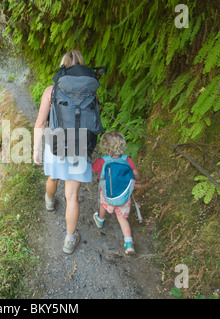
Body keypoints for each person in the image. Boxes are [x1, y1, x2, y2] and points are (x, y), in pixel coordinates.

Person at [33, 50, 93, 254]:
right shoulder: (90, 91)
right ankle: (69, 240)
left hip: (56, 141)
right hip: (81, 144)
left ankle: (49, 202)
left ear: (62, 66)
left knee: (53, 177)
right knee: (72, 196)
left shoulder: (51, 90)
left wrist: (36, 149)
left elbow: (41, 122)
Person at [92, 131, 142, 255]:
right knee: (122, 218)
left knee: (103, 206)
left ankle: (100, 220)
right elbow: (135, 174)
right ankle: (129, 243)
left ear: (104, 146)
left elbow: (92, 169)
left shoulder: (102, 160)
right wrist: (138, 180)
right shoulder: (127, 160)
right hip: (124, 196)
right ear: (122, 145)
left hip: (108, 195)